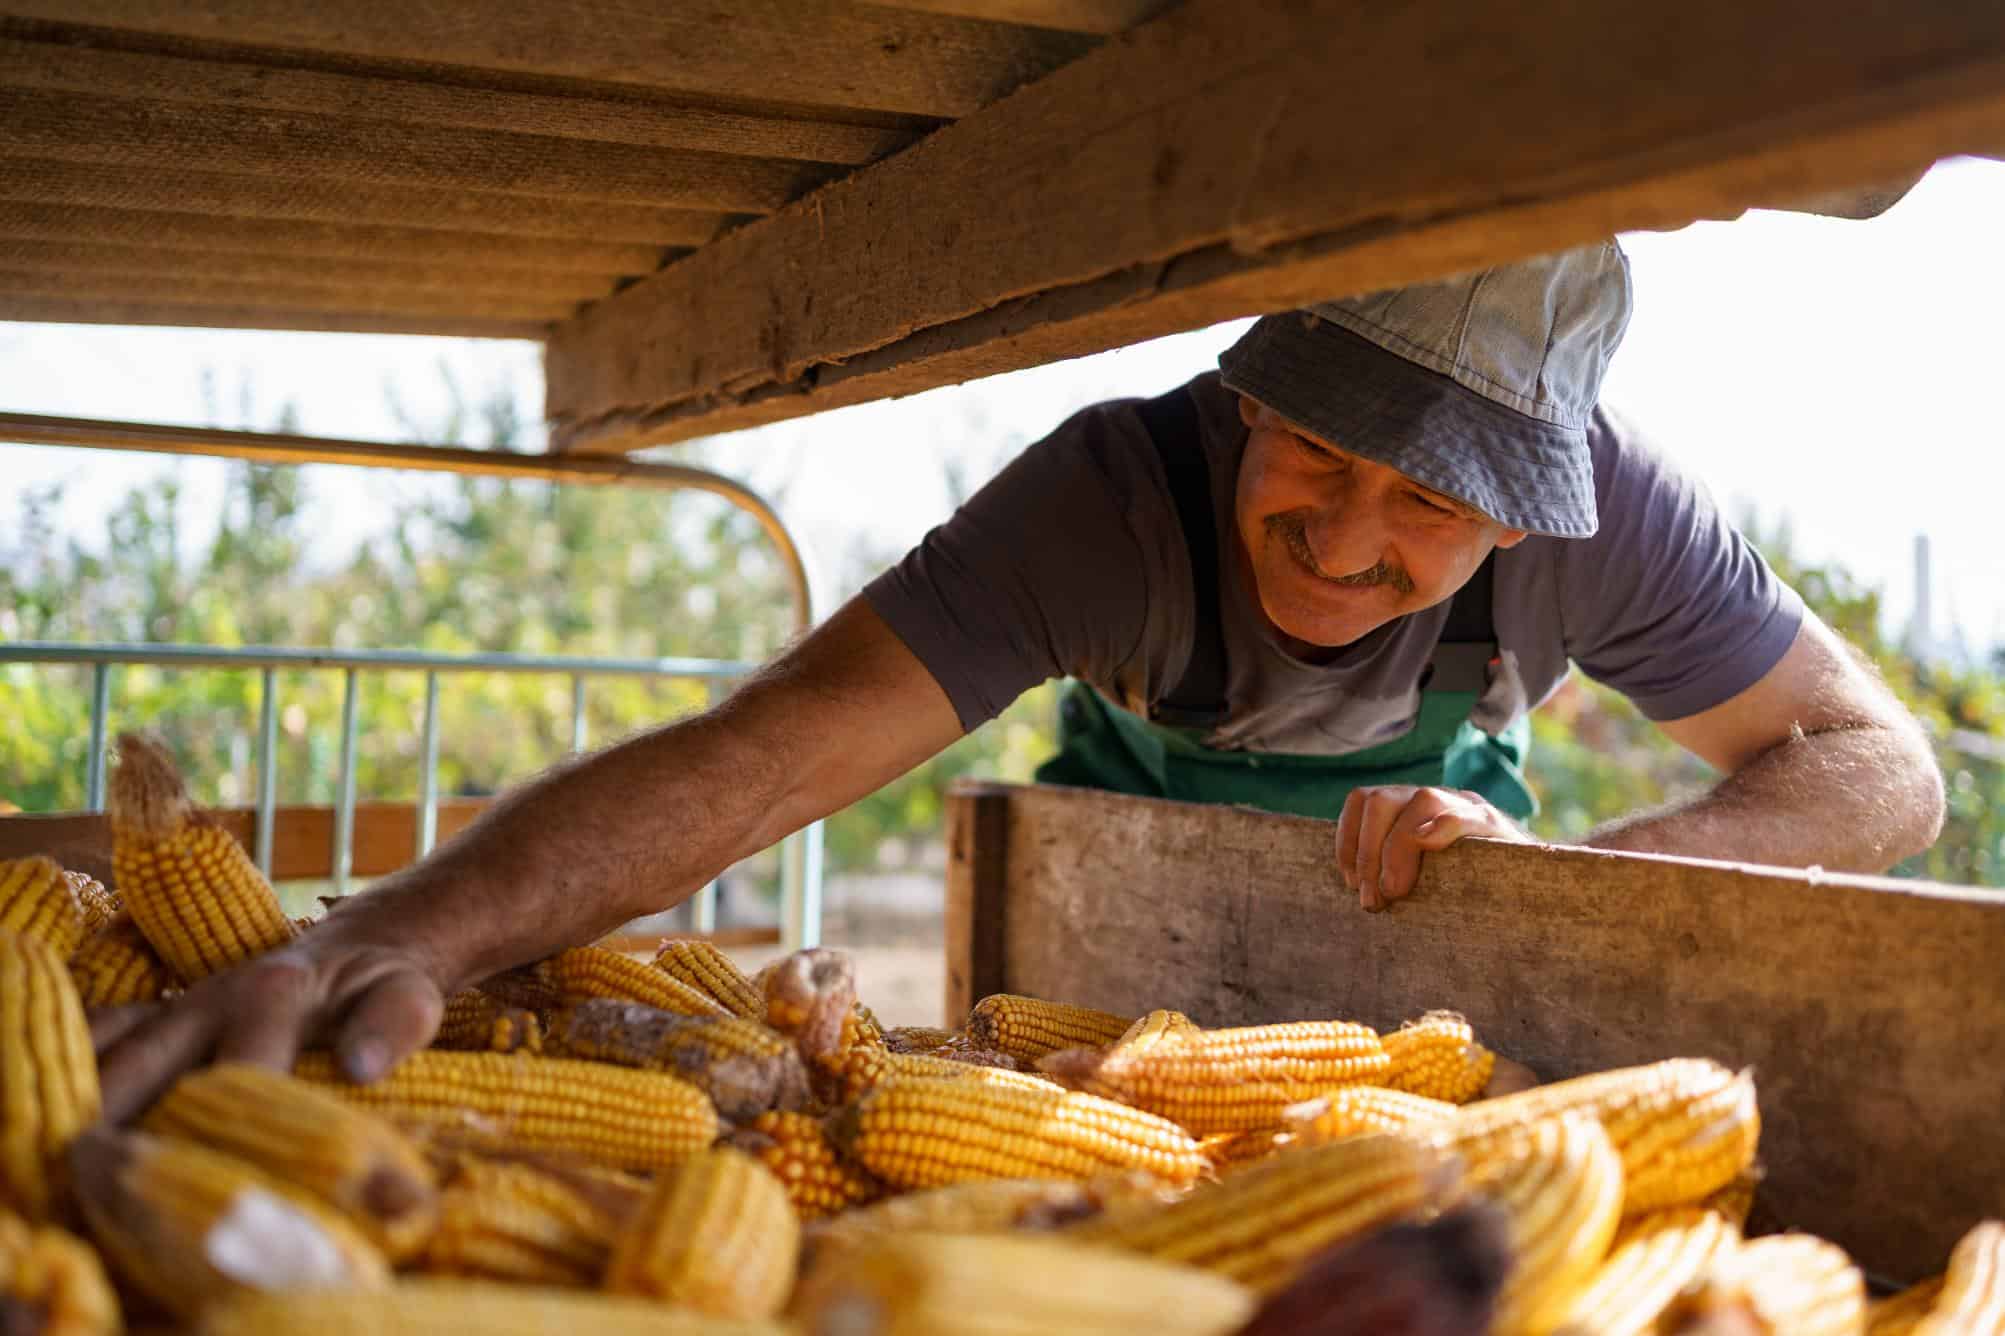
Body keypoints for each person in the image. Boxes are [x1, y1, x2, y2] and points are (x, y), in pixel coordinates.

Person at [90, 240, 1944, 1120]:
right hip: (1102, 991)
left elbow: (1881, 774)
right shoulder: (1102, 505)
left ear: (1529, 508)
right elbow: (762, 759)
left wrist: (1574, 883)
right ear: (1244, 390)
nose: (1346, 536)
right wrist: (403, 931)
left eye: (1433, 501)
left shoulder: (1612, 520)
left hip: (1433, 1007)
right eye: (1311, 448)